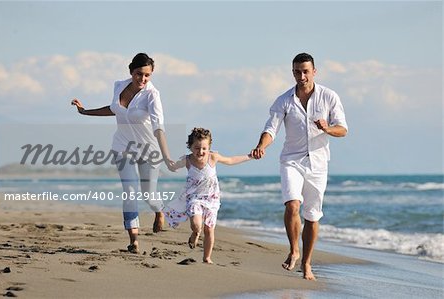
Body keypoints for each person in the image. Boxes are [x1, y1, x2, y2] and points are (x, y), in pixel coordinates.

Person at [251, 53, 348, 280]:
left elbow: (343, 129)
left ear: (314, 71)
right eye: (297, 71)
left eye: (305, 71)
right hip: (291, 160)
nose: (301, 76)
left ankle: (306, 263)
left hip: (318, 163)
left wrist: (327, 128)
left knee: (312, 217)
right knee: (292, 205)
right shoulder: (284, 100)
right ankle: (294, 250)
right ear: (292, 72)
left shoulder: (329, 96)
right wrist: (261, 146)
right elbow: (271, 129)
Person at [71, 53, 175, 254]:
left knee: (148, 195)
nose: (143, 79)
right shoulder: (119, 85)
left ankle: (159, 210)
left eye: (147, 75)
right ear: (131, 71)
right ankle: (134, 240)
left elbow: (158, 127)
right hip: (122, 146)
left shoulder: (152, 95)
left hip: (148, 148)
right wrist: (85, 112)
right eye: (139, 74)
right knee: (130, 192)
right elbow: (114, 110)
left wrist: (167, 155)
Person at [163, 127, 253, 264]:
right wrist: (169, 163)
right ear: (190, 147)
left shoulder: (213, 157)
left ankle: (207, 257)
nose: (201, 152)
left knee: (209, 229)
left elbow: (230, 160)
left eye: (204, 148)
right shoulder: (187, 160)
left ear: (209, 147)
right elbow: (174, 166)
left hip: (212, 199)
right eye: (197, 148)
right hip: (194, 198)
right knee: (197, 225)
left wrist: (249, 156)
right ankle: (195, 233)